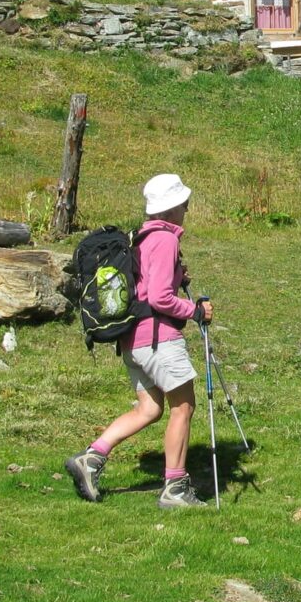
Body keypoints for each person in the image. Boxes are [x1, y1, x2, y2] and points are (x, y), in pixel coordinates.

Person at [65, 173, 213, 508]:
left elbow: (148, 285)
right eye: (183, 201)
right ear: (172, 206)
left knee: (149, 408)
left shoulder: (142, 238)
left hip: (133, 339)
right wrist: (196, 310)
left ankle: (91, 459)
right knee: (183, 406)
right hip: (159, 338)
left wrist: (177, 274)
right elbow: (160, 298)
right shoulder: (164, 240)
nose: (187, 207)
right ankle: (175, 488)